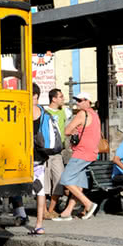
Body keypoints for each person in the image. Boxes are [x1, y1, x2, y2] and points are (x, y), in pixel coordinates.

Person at [52, 91, 100, 221]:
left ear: (87, 101)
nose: (77, 103)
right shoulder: (94, 115)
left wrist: (72, 130)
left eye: (80, 100)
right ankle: (67, 212)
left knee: (66, 180)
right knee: (77, 183)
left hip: (81, 152)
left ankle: (88, 204)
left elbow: (67, 130)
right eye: (76, 100)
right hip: (91, 153)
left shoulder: (81, 114)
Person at [30, 83, 64, 234]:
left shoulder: (23, 111)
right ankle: (39, 224)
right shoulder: (43, 111)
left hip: (26, 155)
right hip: (40, 155)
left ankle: (19, 211)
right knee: (41, 190)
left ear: (34, 96)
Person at [43, 88, 68, 220]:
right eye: (61, 97)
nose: (63, 99)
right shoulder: (45, 112)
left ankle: (50, 209)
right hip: (46, 152)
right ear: (54, 98)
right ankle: (43, 211)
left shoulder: (63, 112)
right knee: (45, 182)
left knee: (59, 180)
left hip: (58, 151)